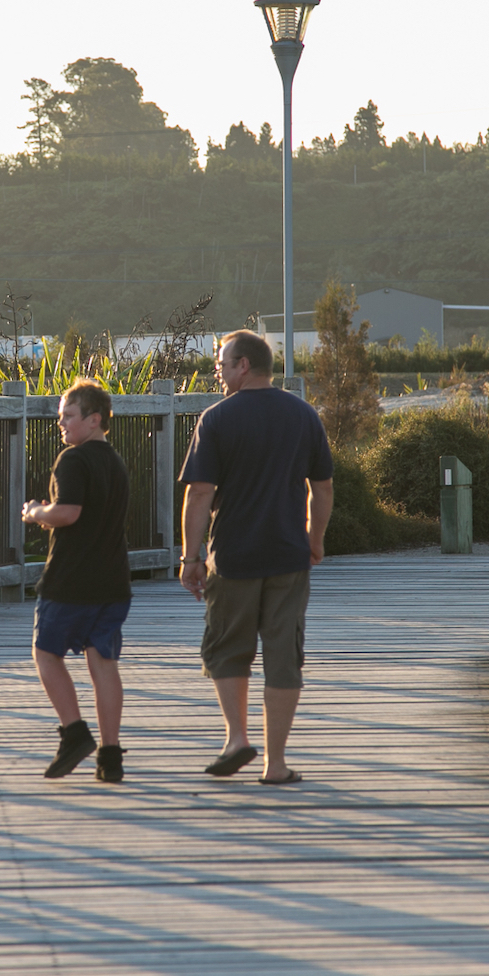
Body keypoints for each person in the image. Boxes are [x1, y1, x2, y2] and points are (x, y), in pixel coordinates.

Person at [177, 329, 333, 785]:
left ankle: (238, 738)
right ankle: (276, 763)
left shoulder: (216, 419)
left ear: (243, 365)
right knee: (284, 657)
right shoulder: (304, 415)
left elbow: (201, 492)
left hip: (234, 556)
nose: (219, 373)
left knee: (228, 649)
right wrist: (315, 538)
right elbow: (321, 487)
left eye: (222, 364)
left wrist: (191, 558)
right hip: (288, 554)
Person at [21, 377, 132, 782]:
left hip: (71, 581)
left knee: (45, 654)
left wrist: (35, 512)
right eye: (60, 417)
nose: (62, 424)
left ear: (94, 419)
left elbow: (68, 512)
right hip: (113, 582)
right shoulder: (115, 462)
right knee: (103, 663)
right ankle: (111, 755)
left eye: (69, 415)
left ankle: (74, 732)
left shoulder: (73, 459)